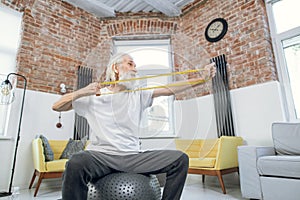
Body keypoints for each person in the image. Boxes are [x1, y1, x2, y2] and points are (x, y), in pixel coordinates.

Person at [52, 53, 216, 200]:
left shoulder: (138, 94)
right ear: (116, 68)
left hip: (132, 157)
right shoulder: (95, 96)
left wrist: (202, 79)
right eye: (130, 64)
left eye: (135, 66)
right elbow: (57, 106)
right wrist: (82, 92)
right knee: (76, 162)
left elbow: (168, 89)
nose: (135, 69)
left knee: (180, 159)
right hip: (101, 156)